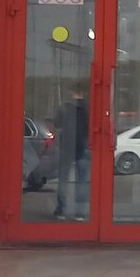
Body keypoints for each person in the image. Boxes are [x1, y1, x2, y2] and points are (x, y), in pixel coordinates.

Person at [53, 81, 90, 220]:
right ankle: (80, 213)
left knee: (63, 179)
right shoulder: (88, 108)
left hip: (66, 146)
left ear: (71, 92)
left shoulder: (64, 108)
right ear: (83, 93)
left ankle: (61, 210)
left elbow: (57, 124)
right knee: (82, 181)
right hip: (83, 147)